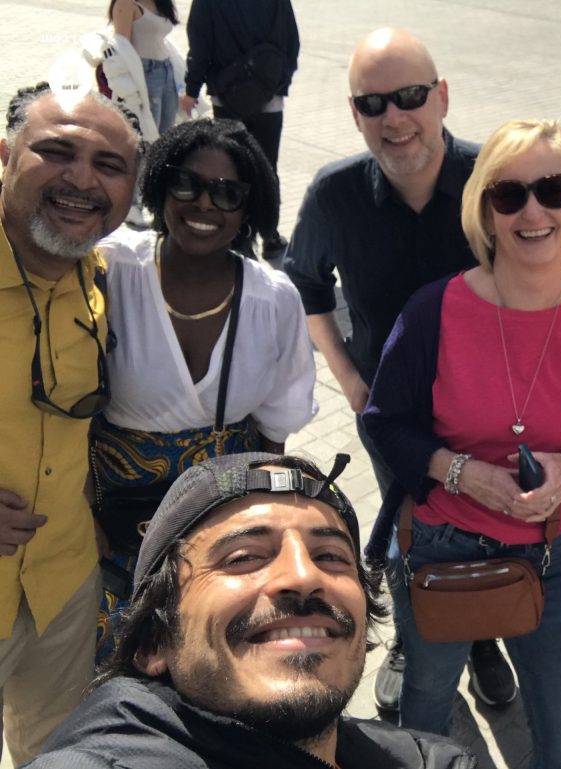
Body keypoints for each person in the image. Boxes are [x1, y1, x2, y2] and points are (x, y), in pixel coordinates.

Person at [363, 118, 561, 769]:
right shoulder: (434, 310)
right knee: (427, 708)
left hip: (551, 553)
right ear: (485, 212)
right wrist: (462, 473)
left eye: (552, 189)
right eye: (508, 195)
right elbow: (385, 420)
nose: (533, 210)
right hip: (439, 545)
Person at [283, 27, 518, 712]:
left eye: (410, 96)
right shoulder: (335, 194)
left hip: (490, 409)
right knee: (412, 528)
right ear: (354, 113)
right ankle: (419, 638)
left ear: (442, 97)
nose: (394, 118)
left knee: (480, 522)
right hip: (391, 413)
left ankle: (482, 639)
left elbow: (555, 278)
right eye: (373, 103)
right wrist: (350, 383)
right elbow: (305, 284)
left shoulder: (494, 180)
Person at [23, 452, 477, 769]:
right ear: (154, 644)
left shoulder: (427, 759)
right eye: (243, 558)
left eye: (332, 557)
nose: (303, 575)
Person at [91, 117, 317, 651]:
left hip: (222, 521)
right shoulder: (110, 268)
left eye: (229, 193)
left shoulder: (274, 299)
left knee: (213, 658)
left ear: (250, 207)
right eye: (187, 184)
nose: (205, 205)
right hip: (113, 524)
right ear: (160, 186)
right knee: (121, 662)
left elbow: (275, 434)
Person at [0, 82, 141, 764]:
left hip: (62, 583)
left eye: (109, 165)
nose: (82, 179)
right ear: (5, 156)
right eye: (56, 152)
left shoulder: (99, 275)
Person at [180, 0, 298, 260]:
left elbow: (200, 45)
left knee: (232, 168)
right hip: (269, 97)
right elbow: (291, 41)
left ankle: (239, 237)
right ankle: (270, 234)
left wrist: (192, 89)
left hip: (228, 97)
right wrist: (278, 82)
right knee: (268, 168)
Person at [108, 0, 180, 136]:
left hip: (167, 69)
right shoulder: (126, 4)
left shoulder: (160, 3)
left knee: (167, 132)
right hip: (145, 71)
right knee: (148, 132)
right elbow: (122, 47)